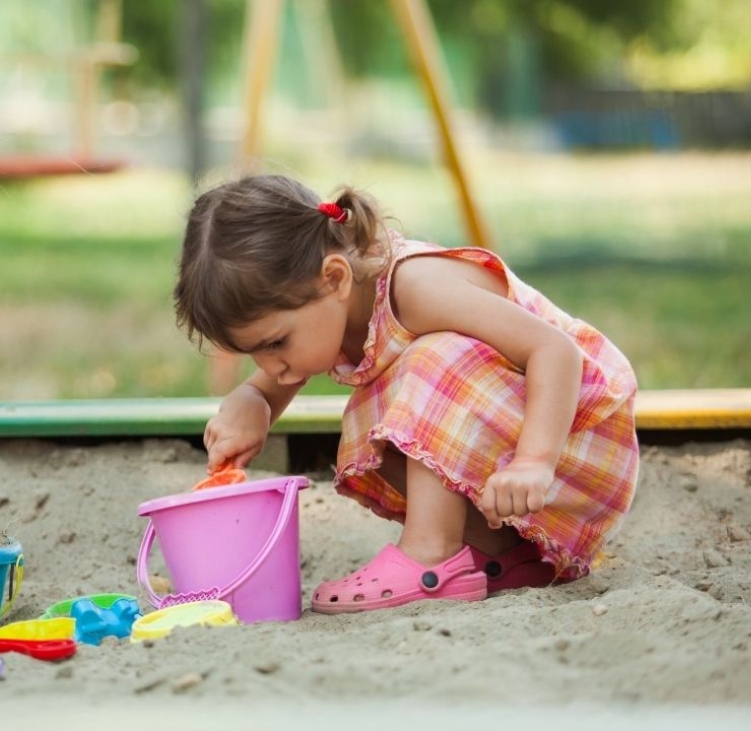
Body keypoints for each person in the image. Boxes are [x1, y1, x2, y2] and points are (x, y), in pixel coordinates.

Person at [173, 175, 638, 613]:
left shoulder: (415, 288)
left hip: (576, 442)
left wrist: (534, 462)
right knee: (371, 412)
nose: (272, 366)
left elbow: (555, 351)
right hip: (517, 485)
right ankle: (500, 555)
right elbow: (275, 377)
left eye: (275, 344)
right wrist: (252, 402)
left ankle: (430, 555)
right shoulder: (328, 308)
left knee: (430, 362)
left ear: (334, 278)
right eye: (254, 355)